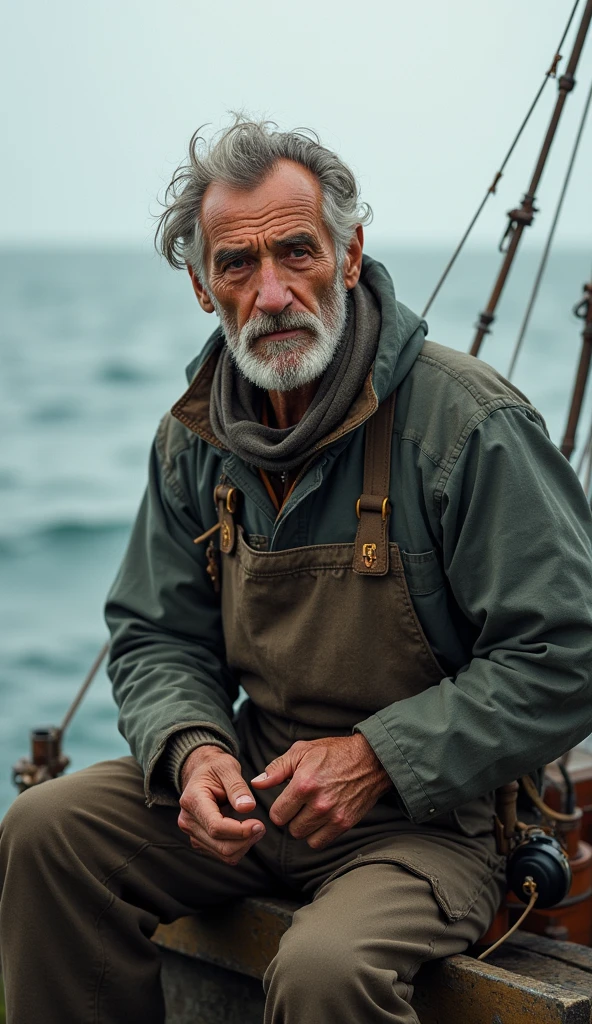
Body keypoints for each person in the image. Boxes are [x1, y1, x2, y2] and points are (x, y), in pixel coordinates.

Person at [1, 117, 592, 1024]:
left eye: (296, 252)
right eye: (237, 265)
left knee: (325, 969)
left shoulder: (467, 424)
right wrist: (193, 749)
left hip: (430, 826)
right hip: (256, 789)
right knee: (46, 834)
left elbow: (568, 651)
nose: (272, 292)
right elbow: (155, 634)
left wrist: (377, 758)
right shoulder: (192, 439)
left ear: (350, 256)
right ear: (203, 287)